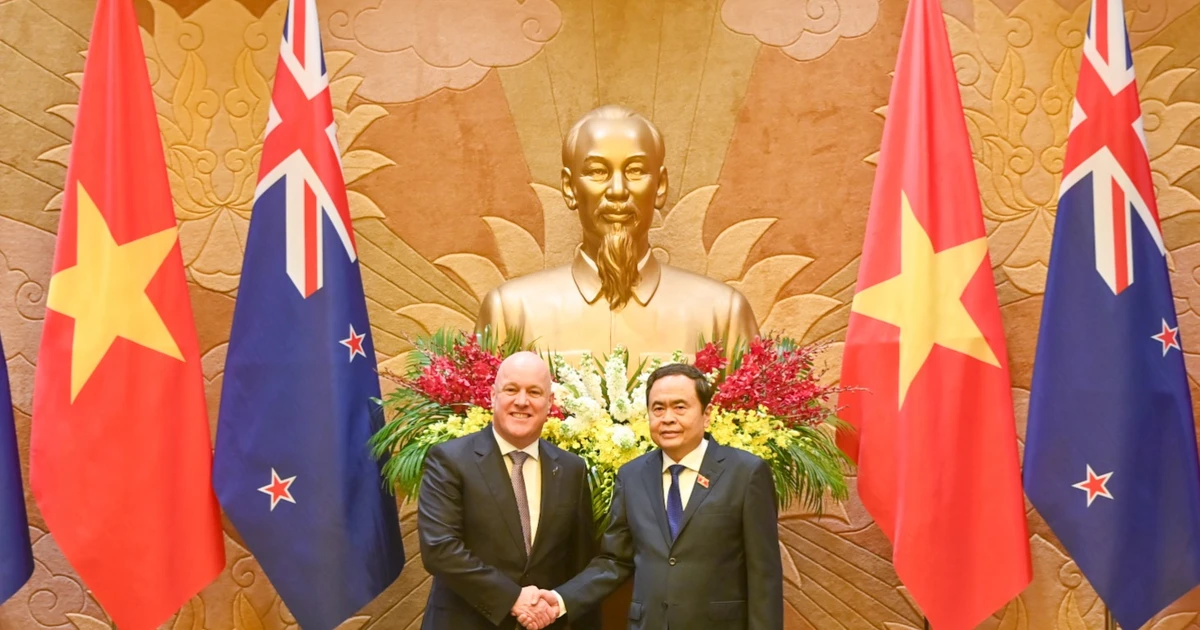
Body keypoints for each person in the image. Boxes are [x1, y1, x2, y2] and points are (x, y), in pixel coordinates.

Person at [475, 105, 759, 363]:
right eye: (597, 172)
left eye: (635, 171)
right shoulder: (511, 312)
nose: (618, 190)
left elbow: (756, 416)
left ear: (660, 186)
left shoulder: (722, 314)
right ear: (569, 187)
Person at [523, 363, 784, 630]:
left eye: (680, 407)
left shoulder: (746, 473)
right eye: (658, 409)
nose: (667, 418)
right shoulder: (632, 476)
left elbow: (764, 575)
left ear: (706, 415)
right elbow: (615, 560)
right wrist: (561, 599)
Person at [417, 351, 599, 629]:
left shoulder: (572, 469)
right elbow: (440, 549)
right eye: (511, 389)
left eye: (534, 392)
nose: (522, 401)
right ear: (493, 395)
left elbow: (580, 562)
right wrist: (512, 598)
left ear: (550, 402)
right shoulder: (450, 460)